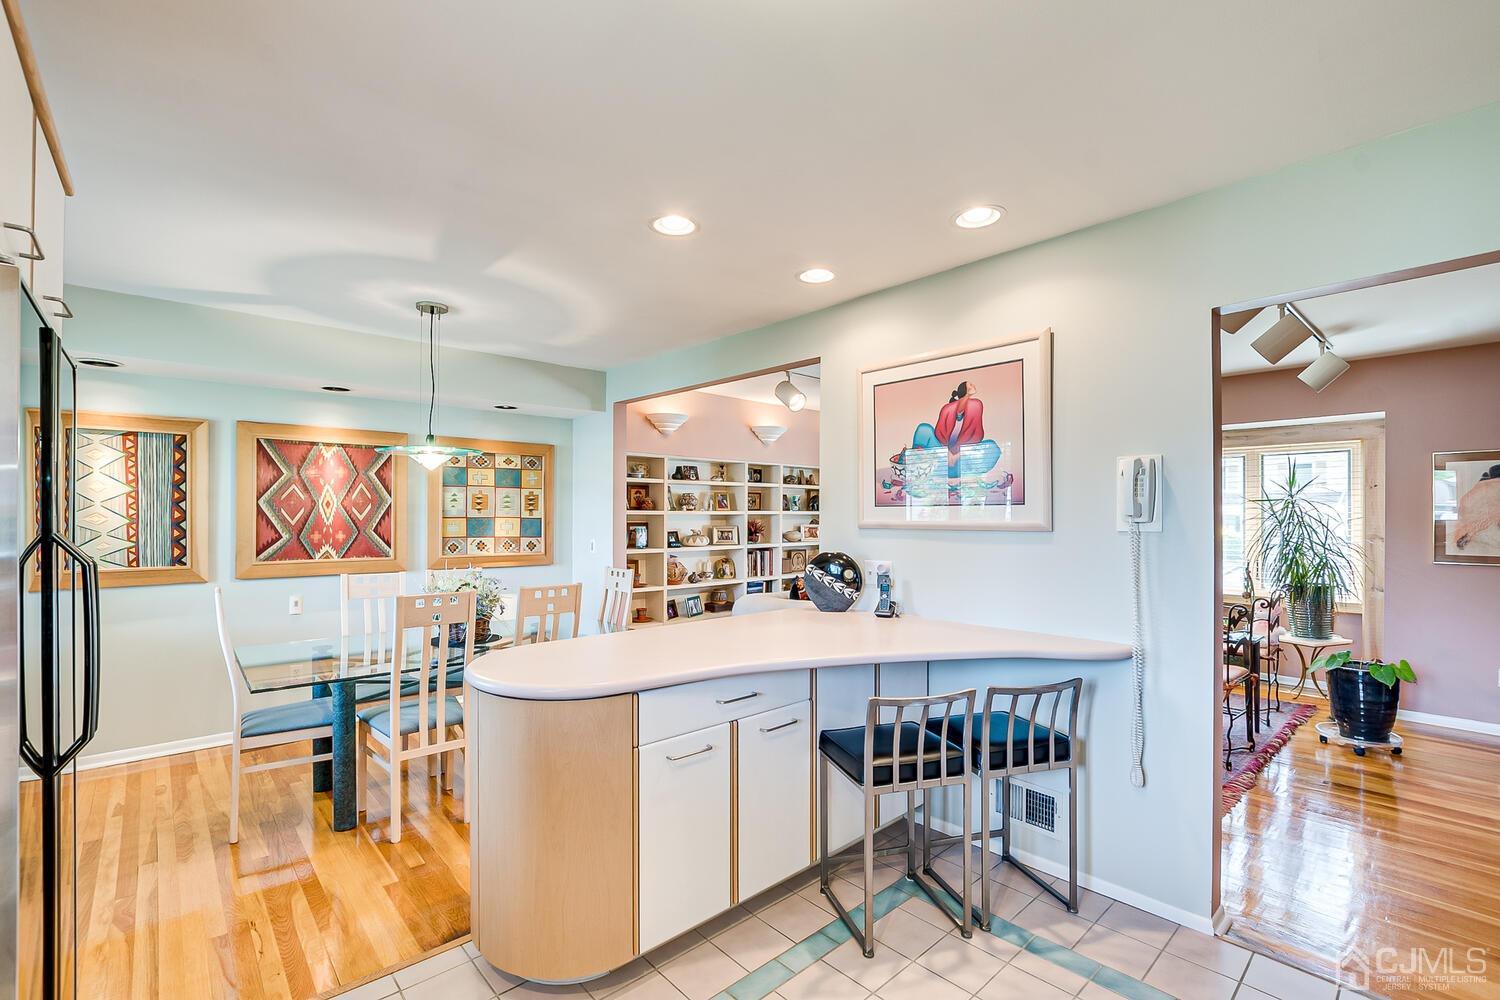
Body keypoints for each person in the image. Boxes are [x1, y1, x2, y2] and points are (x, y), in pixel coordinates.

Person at [894, 379, 1003, 480]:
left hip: (961, 459)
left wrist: (956, 456)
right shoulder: (947, 409)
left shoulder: (976, 405)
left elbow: (976, 436)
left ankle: (951, 472)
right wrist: (947, 454)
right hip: (940, 455)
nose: (973, 385)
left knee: (992, 448)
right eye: (969, 384)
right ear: (963, 390)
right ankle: (924, 467)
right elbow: (938, 434)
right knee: (924, 429)